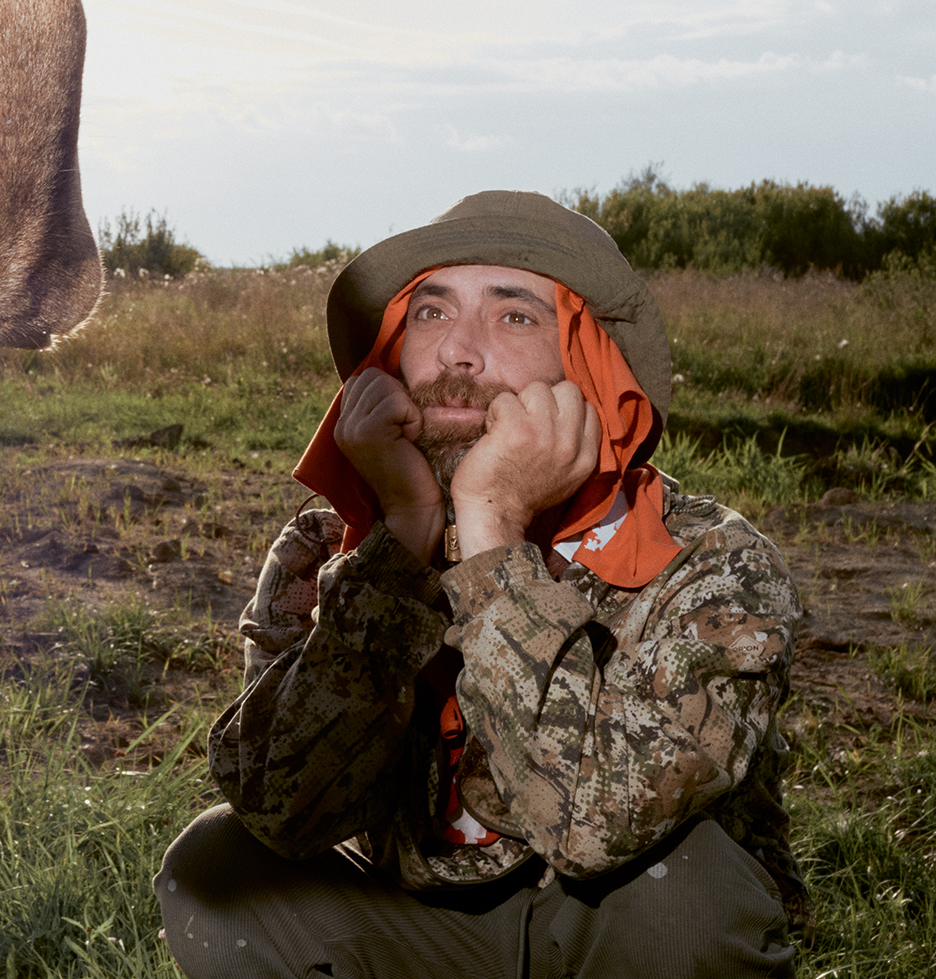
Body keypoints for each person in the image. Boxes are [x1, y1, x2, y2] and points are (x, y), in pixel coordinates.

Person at [158, 191, 802, 978]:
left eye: (515, 317)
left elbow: (596, 829)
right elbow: (277, 809)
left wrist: (492, 525)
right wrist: (400, 541)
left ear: (588, 365)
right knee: (218, 866)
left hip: (611, 920)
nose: (458, 353)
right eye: (429, 314)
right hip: (419, 926)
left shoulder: (707, 560)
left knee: (684, 897)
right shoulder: (326, 551)